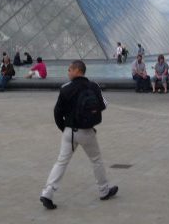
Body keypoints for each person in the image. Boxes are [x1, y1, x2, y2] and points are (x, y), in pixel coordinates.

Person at [40, 60, 118, 210]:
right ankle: (104, 191)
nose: (68, 72)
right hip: (88, 131)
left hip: (70, 132)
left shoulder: (65, 89)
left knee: (61, 162)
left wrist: (65, 129)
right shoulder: (93, 86)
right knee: (96, 161)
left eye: (70, 69)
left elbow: (57, 113)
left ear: (77, 70)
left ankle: (47, 193)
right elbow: (103, 106)